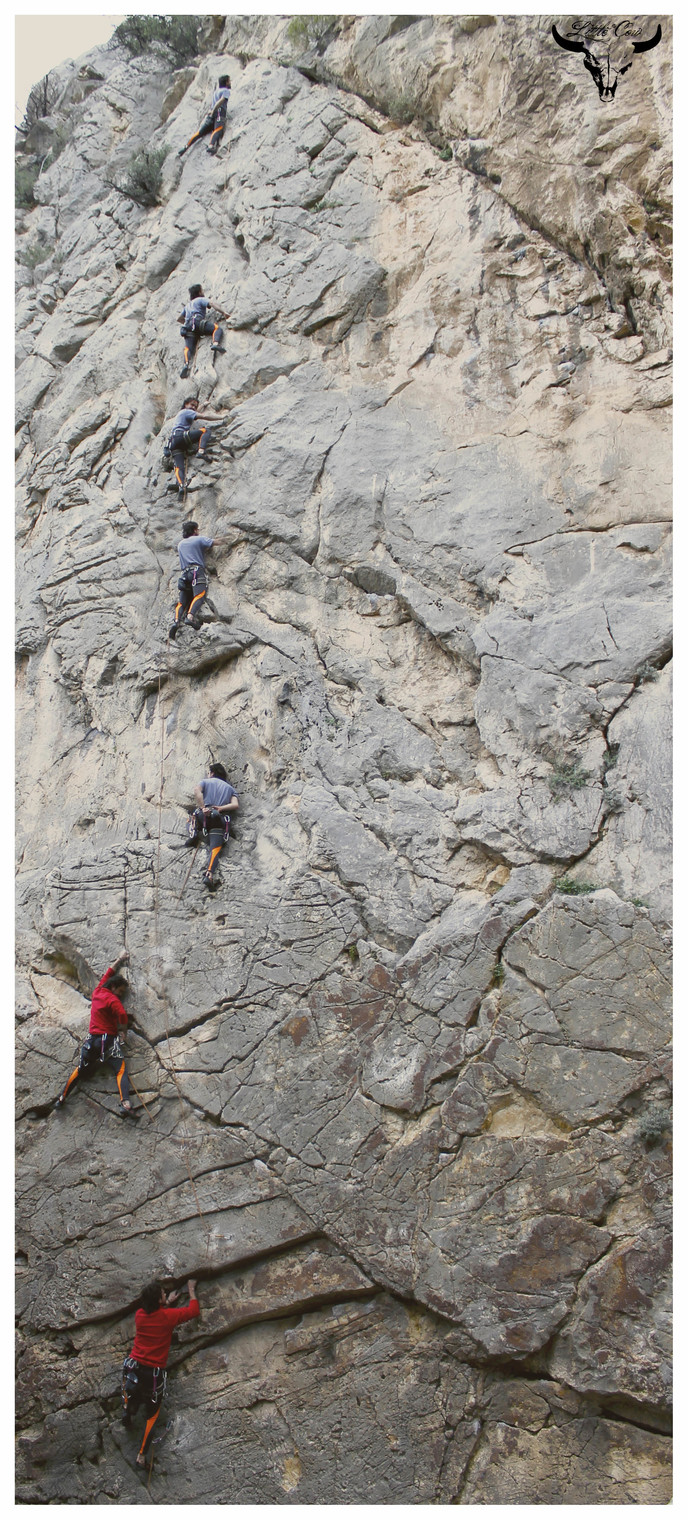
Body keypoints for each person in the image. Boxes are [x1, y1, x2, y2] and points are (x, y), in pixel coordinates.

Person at [122, 1278, 200, 1466]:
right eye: (163, 1294)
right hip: (152, 1375)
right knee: (152, 1415)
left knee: (131, 1393)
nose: (166, 1294)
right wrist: (191, 1289)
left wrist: (167, 1302)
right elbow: (193, 1311)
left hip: (133, 1366)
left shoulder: (140, 1315)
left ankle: (127, 1414)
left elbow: (155, 1317)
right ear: (158, 1300)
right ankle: (141, 1455)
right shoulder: (168, 1317)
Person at [55, 952, 135, 1117]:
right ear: (114, 988)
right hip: (107, 1042)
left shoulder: (98, 991)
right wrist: (123, 1031)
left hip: (91, 1041)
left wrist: (119, 959)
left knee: (80, 1069)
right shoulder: (113, 1000)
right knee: (120, 1069)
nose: (120, 995)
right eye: (120, 991)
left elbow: (109, 973)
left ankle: (62, 1097)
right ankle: (125, 1104)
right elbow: (122, 1015)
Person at [169, 520, 232, 638]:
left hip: (184, 575)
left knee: (182, 602)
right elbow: (215, 542)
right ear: (194, 530)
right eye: (197, 529)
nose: (198, 531)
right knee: (199, 595)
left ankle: (176, 621)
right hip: (196, 572)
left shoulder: (181, 545)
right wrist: (229, 539)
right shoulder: (199, 539)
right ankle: (190, 617)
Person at [164, 395, 229, 495]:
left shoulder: (183, 413)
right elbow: (203, 416)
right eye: (192, 405)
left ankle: (181, 486)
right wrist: (221, 417)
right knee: (205, 431)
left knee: (179, 467)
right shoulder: (186, 411)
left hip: (174, 443)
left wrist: (203, 405)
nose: (194, 407)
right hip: (181, 436)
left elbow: (195, 412)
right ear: (186, 404)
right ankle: (201, 451)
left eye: (195, 406)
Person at [187, 762, 239, 888]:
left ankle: (193, 834)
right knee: (215, 847)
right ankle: (209, 874)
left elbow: (197, 790)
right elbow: (235, 805)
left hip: (204, 815)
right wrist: (221, 808)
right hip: (219, 819)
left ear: (212, 773)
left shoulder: (206, 782)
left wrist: (203, 807)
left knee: (191, 817)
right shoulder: (230, 788)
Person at [177, 283, 231, 379]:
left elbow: (180, 319)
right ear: (199, 292)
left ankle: (186, 365)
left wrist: (189, 324)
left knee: (188, 348)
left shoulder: (187, 306)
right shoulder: (200, 299)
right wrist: (223, 312)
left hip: (188, 327)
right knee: (217, 329)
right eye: (202, 290)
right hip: (197, 321)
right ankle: (215, 343)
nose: (203, 292)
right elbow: (212, 304)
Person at [177, 75, 231, 159]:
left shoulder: (216, 92)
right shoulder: (226, 91)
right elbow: (221, 101)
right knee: (218, 129)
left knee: (200, 132)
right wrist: (214, 110)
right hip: (219, 112)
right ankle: (211, 145)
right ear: (226, 82)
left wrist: (211, 111)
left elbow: (214, 102)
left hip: (211, 115)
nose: (230, 82)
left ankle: (186, 146)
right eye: (229, 81)